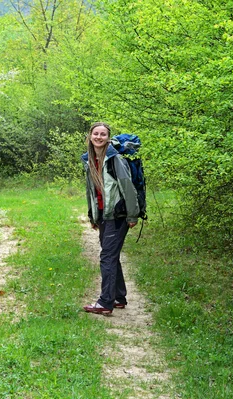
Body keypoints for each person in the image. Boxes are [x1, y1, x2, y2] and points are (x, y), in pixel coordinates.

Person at [81, 122, 139, 315]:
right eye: (95, 134)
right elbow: (92, 192)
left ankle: (105, 302)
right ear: (90, 137)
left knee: (107, 256)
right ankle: (118, 297)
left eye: (103, 134)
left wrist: (132, 214)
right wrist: (93, 216)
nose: (99, 137)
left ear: (108, 138)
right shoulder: (90, 160)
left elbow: (127, 188)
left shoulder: (115, 160)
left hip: (117, 215)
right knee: (111, 255)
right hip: (103, 216)